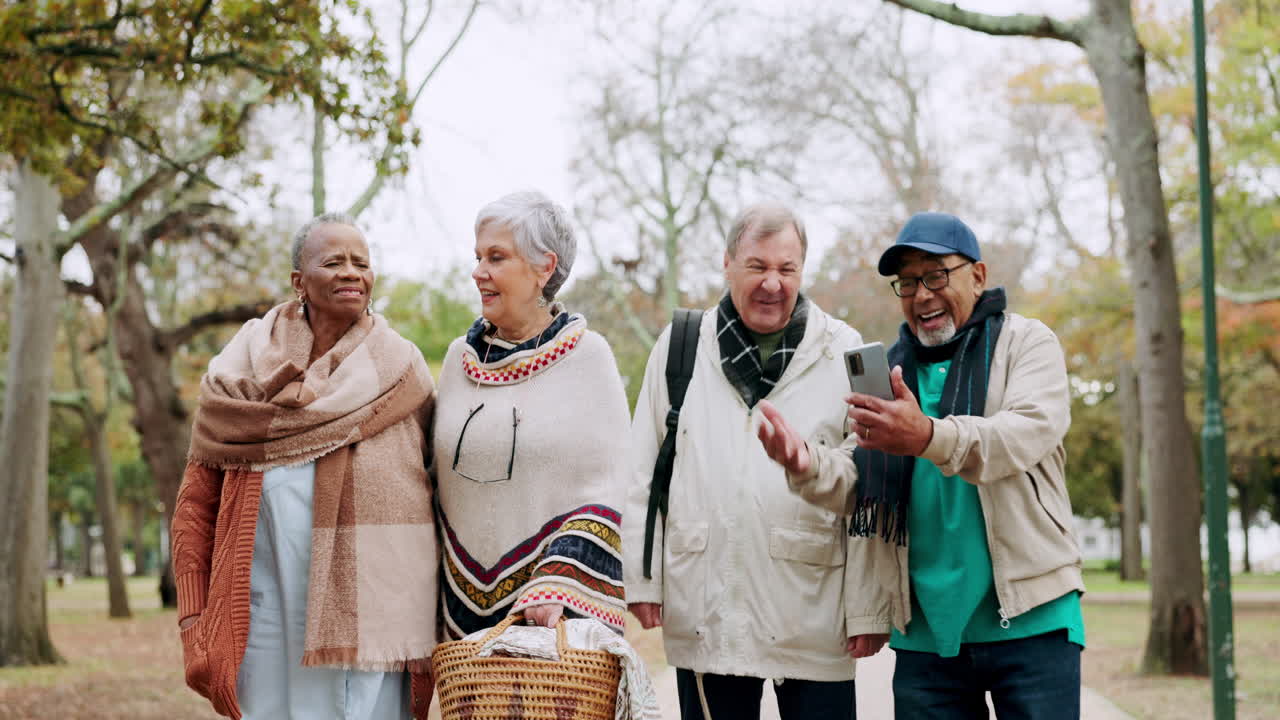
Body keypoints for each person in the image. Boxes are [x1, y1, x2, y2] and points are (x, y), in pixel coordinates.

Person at [756, 211, 1086, 719]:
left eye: (936, 276)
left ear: (977, 275)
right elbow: (857, 480)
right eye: (907, 283)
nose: (922, 294)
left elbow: (1021, 437)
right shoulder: (888, 371)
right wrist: (803, 465)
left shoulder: (1027, 344)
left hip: (1031, 620)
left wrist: (927, 434)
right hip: (926, 635)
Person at [171, 213, 439, 720]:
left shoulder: (402, 370)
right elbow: (195, 504)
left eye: (361, 262)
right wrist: (192, 612)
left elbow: (438, 485)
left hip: (374, 612)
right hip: (262, 614)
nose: (351, 272)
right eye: (333, 261)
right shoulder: (239, 374)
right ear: (299, 282)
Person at [624, 203, 875, 720]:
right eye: (758, 267)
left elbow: (874, 485)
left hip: (813, 614)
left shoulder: (851, 351)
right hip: (707, 612)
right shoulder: (681, 344)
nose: (773, 284)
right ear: (727, 263)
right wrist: (643, 578)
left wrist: (869, 607)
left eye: (787, 269)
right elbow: (644, 468)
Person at [433, 190, 630, 638]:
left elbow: (612, 487)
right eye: (478, 256)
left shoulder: (587, 357)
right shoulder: (457, 362)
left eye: (496, 258)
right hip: (458, 618)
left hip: (557, 620)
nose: (478, 272)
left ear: (544, 268)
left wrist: (559, 583)